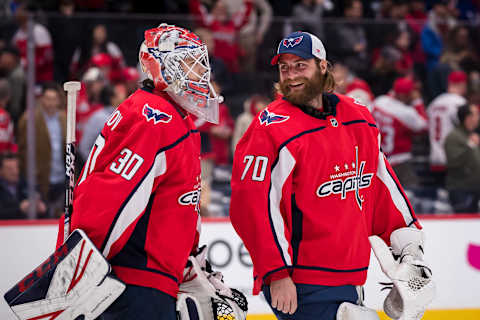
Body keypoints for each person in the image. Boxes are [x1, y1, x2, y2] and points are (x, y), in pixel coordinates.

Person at [230, 31, 433, 319]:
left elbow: (381, 182)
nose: (290, 75)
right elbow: (253, 204)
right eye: (284, 68)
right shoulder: (270, 128)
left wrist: (409, 249)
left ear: (322, 65)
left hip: (351, 276)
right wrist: (276, 272)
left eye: (300, 65)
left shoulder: (358, 116)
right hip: (302, 281)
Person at [60, 24, 222, 319]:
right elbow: (110, 202)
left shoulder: (171, 119)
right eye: (189, 64)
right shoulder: (154, 120)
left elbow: (176, 206)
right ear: (161, 68)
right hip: (130, 285)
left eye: (201, 65)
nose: (201, 75)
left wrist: (191, 263)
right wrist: (83, 271)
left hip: (150, 283)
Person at [17, 82, 66, 218]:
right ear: (42, 99)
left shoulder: (64, 119)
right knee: (42, 213)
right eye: (47, 98)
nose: (50, 102)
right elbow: (23, 151)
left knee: (59, 214)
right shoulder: (29, 119)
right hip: (39, 177)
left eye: (54, 98)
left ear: (58, 100)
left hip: (60, 176)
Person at [371, 77, 427, 189]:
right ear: (404, 95)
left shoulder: (378, 102)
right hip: (400, 161)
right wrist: (417, 102)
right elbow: (424, 126)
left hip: (378, 161)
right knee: (410, 197)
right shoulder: (406, 112)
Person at [427, 70, 467, 185]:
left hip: (435, 158)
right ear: (462, 84)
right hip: (453, 159)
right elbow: (467, 128)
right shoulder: (459, 103)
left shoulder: (434, 103)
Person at [444, 104, 480, 213]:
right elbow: (453, 161)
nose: (478, 117)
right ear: (468, 118)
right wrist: (470, 145)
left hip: (474, 188)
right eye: (476, 114)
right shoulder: (454, 137)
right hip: (461, 190)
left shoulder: (471, 135)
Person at [0, 152, 46, 219]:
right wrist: (19, 209)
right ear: (1, 170)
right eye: (10, 169)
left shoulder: (27, 184)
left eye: (16, 167)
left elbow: (46, 207)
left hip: (29, 227)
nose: (15, 172)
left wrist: (42, 208)